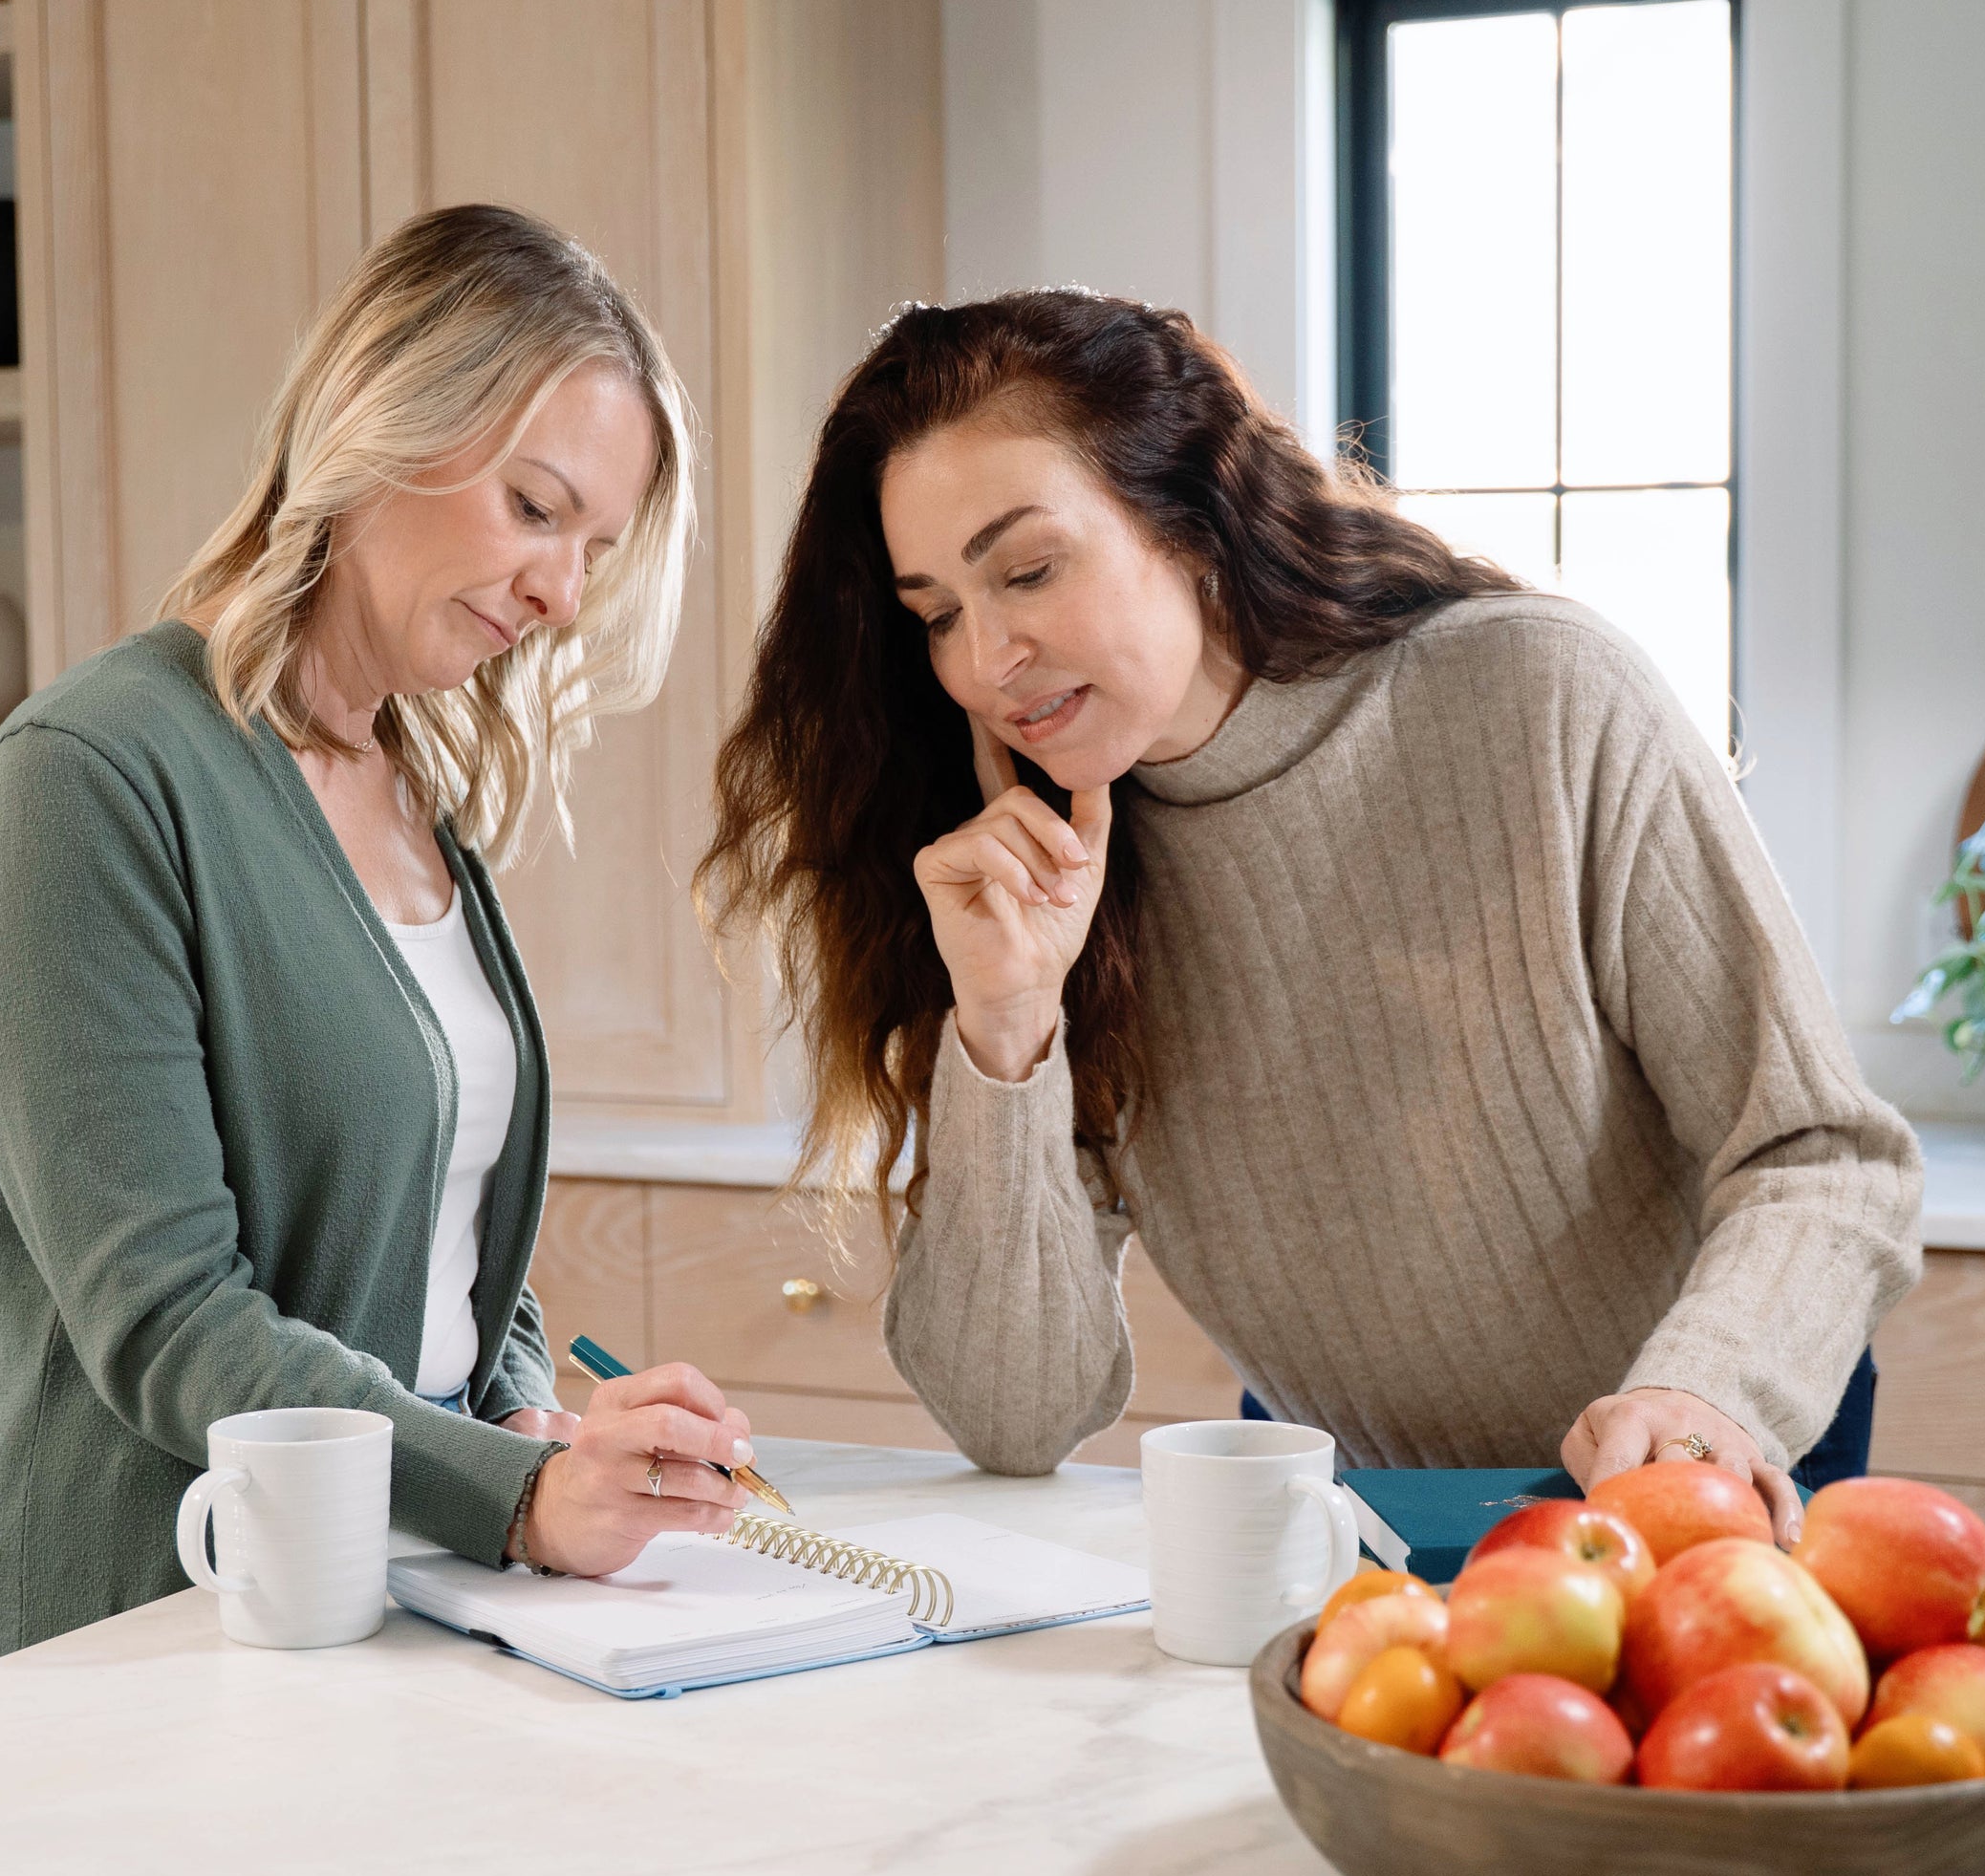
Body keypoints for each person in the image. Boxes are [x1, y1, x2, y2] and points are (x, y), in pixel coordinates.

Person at [697, 290, 1922, 1542]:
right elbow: (1014, 1419)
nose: (986, 659)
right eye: (938, 615)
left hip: (1701, 1460)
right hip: (1373, 1517)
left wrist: (1701, 1397)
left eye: (1028, 569)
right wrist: (1005, 1029)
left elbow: (1823, 1157)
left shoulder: (1539, 701)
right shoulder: (1029, 879)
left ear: (1191, 523)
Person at [0, 205, 754, 1701]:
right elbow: (168, 1319)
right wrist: (518, 1501)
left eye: (595, 547)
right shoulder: (89, 777)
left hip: (339, 1624)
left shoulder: (416, 793)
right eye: (538, 510)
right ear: (382, 428)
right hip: (91, 1657)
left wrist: (530, 1425)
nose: (562, 594)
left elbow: (454, 1253)